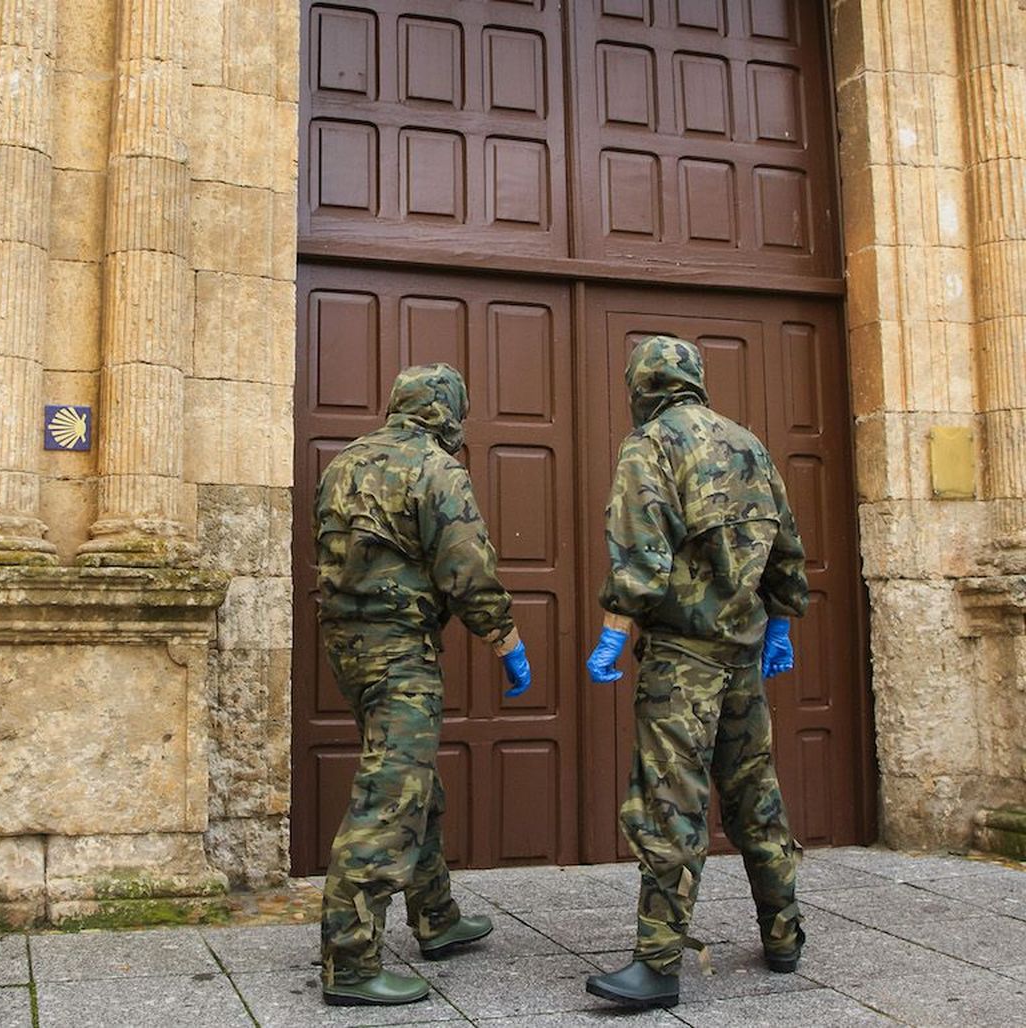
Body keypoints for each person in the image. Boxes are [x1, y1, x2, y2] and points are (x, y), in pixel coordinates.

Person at [582, 335, 808, 1009]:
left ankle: (656, 965)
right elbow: (787, 543)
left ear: (641, 386)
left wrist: (612, 634)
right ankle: (784, 933)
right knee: (752, 795)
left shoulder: (650, 444)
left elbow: (641, 558)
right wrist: (783, 620)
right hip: (742, 652)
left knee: (668, 802)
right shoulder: (749, 444)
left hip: (681, 660)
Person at [314, 363, 533, 1007]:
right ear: (449, 411)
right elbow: (467, 568)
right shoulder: (436, 468)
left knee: (417, 783)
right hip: (400, 650)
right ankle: (349, 961)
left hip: (346, 646)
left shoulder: (344, 463)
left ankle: (436, 917)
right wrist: (506, 639)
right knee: (392, 795)